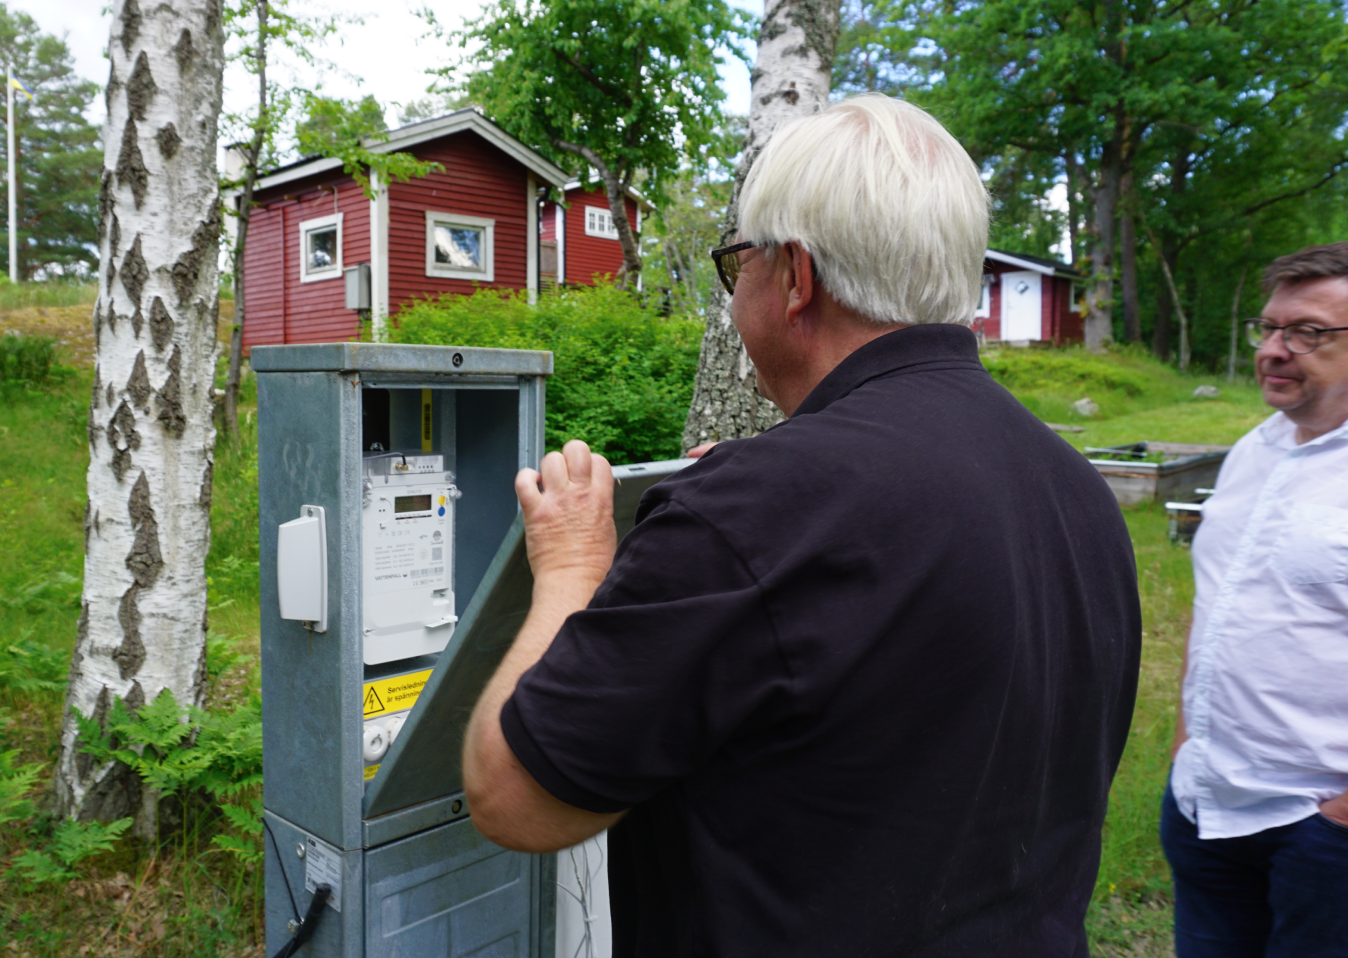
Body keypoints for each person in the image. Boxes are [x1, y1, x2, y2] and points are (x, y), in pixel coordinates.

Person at [462, 94, 1142, 957]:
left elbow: (514, 795)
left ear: (796, 277)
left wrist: (570, 563)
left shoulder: (760, 513)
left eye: (735, 259)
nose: (735, 283)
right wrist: (750, 519)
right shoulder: (1072, 485)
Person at [1162, 241, 1348, 958]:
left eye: (1308, 333)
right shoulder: (1251, 453)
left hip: (1319, 829)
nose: (1275, 349)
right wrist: (1186, 749)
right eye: (1270, 328)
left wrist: (1336, 819)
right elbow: (1218, 607)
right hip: (1207, 805)